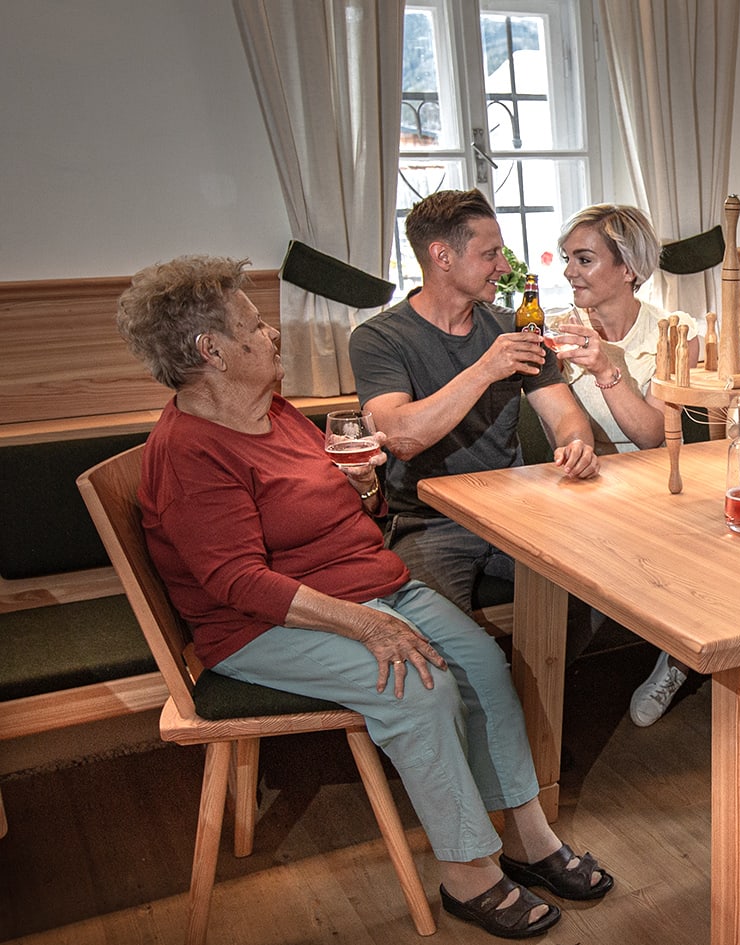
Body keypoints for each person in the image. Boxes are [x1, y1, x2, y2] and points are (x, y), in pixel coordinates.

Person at [116, 256, 613, 940]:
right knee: (421, 688)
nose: (271, 333)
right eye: (254, 326)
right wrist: (366, 626)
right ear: (212, 351)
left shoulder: (274, 411)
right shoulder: (189, 452)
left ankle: (529, 838)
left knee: (480, 661)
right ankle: (468, 873)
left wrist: (361, 487)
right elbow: (236, 582)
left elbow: (334, 509)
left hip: (368, 585)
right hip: (259, 626)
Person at [348, 190, 600, 653]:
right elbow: (399, 437)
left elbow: (566, 415)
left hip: (517, 512)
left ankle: (541, 692)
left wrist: (576, 443)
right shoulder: (379, 338)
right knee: (437, 644)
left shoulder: (513, 327)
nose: (503, 266)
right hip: (429, 522)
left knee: (603, 587)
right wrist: (485, 369)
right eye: (490, 254)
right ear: (442, 256)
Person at [547, 203, 702, 727]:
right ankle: (542, 692)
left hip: (656, 482)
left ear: (629, 268)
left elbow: (652, 434)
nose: (570, 272)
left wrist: (604, 367)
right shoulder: (556, 331)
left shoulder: (675, 332)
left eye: (584, 259)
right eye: (567, 259)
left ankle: (677, 659)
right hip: (581, 483)